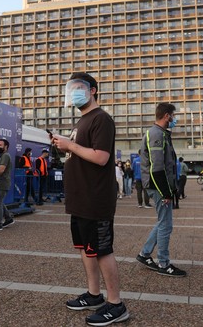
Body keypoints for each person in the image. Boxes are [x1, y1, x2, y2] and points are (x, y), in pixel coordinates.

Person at [52, 72, 129, 325]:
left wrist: (69, 145)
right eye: (70, 87)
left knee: (103, 250)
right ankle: (94, 294)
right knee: (87, 249)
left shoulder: (101, 119)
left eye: (78, 87)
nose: (73, 92)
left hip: (96, 200)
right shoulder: (81, 121)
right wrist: (64, 145)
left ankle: (116, 304)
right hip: (80, 198)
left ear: (92, 90)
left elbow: (101, 157)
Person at [136, 102, 187, 277]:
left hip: (160, 186)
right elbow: (156, 168)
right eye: (173, 115)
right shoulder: (156, 134)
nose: (175, 119)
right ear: (167, 115)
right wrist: (166, 191)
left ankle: (144, 254)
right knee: (166, 225)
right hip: (158, 187)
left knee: (162, 223)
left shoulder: (161, 133)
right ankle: (163, 264)